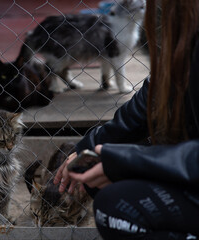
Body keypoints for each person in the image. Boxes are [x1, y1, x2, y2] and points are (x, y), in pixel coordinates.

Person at [53, 1, 199, 239]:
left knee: (115, 210)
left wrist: (123, 161)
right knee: (93, 176)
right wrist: (86, 149)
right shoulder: (185, 42)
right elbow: (147, 103)